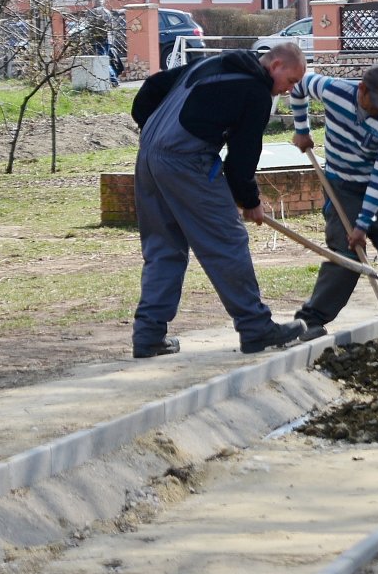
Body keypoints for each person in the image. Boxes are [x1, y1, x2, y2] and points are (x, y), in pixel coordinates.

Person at [128, 43, 309, 358]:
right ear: (276, 65)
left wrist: (154, 132)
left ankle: (148, 336)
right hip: (186, 161)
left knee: (164, 248)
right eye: (290, 81)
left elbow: (152, 87)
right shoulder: (255, 92)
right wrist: (249, 200)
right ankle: (256, 328)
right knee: (227, 241)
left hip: (148, 155)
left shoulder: (214, 63)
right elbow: (242, 158)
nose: (288, 89)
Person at [288, 63, 378, 339]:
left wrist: (364, 223)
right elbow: (298, 85)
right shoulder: (333, 90)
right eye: (376, 103)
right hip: (341, 187)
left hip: (376, 189)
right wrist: (301, 129)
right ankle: (310, 320)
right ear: (361, 90)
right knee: (347, 253)